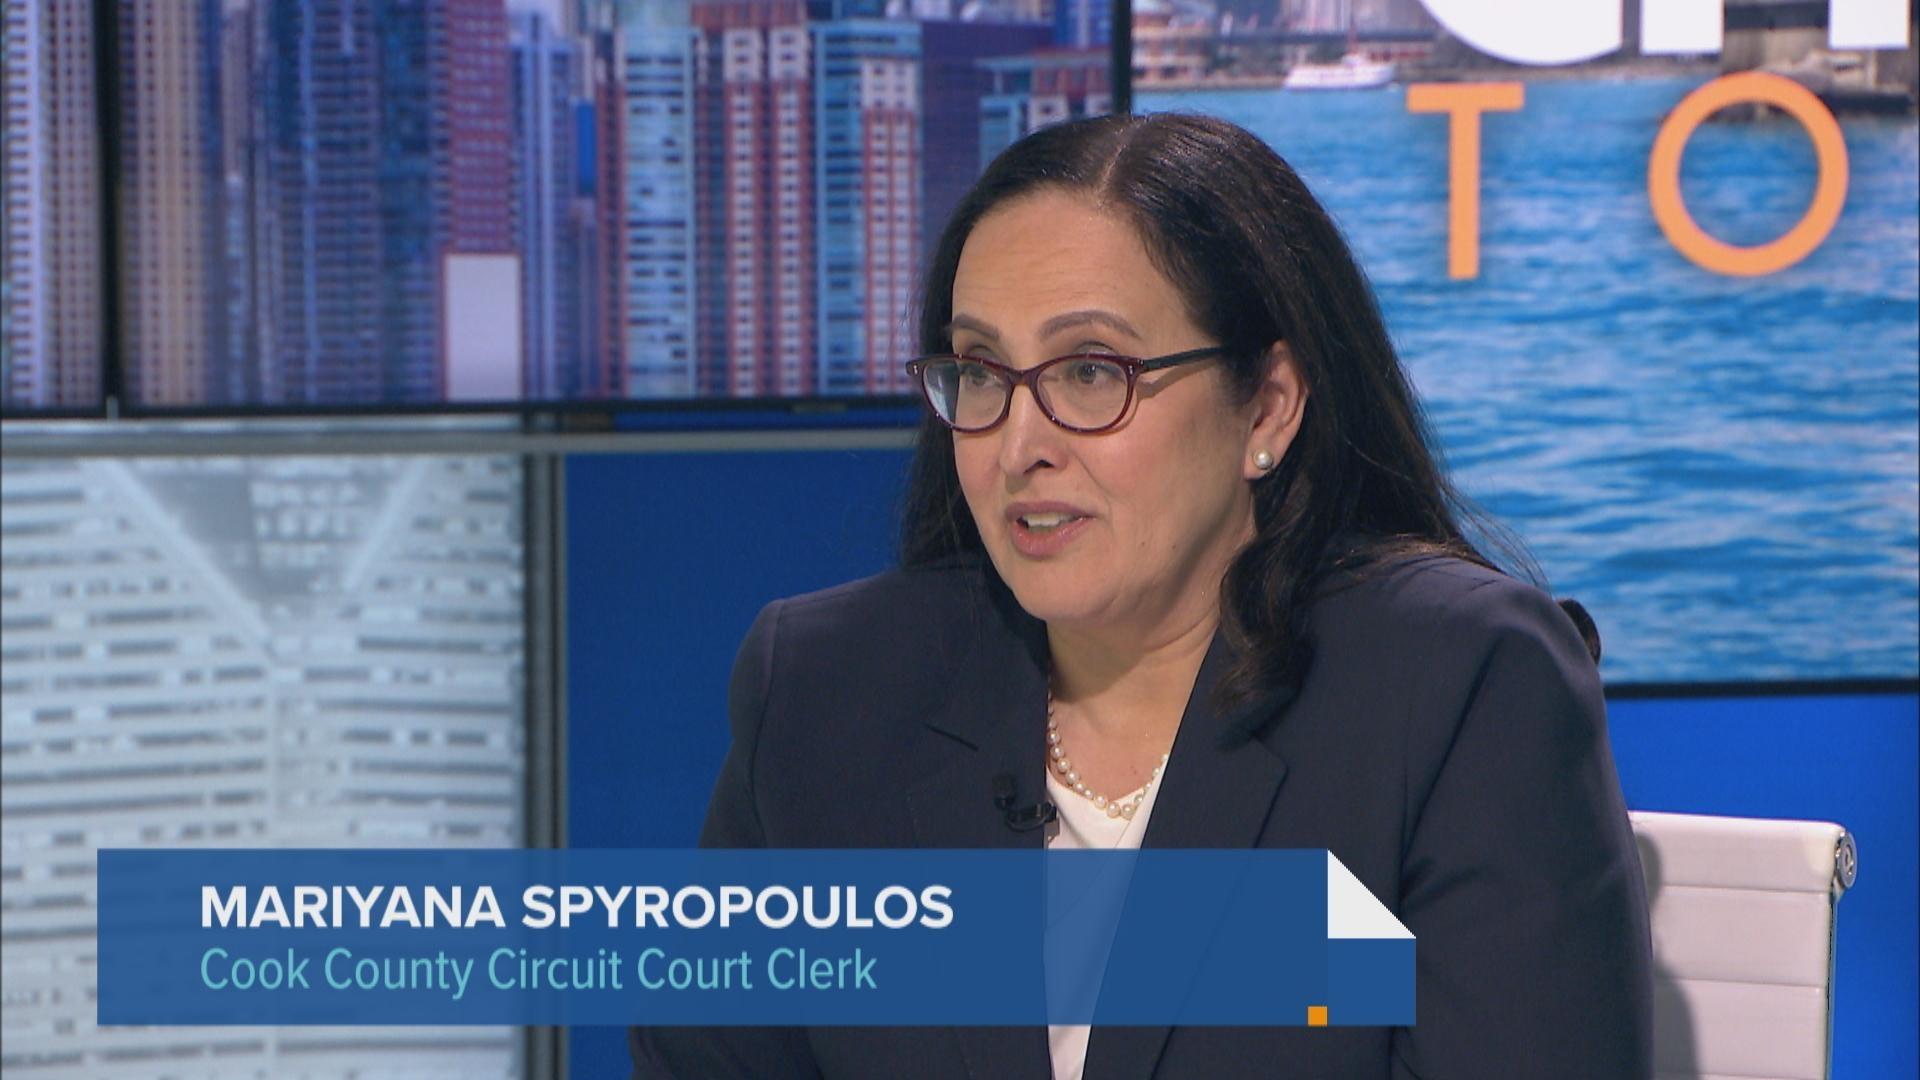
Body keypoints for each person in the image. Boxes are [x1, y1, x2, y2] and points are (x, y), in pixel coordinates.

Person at [632, 112, 1652, 1079]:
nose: (1021, 444)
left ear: (1269, 404)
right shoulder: (827, 685)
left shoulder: (1455, 689)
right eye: (982, 370)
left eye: (1091, 370)